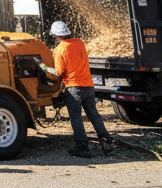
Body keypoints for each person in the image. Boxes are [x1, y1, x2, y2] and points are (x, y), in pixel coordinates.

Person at [39, 20, 116, 158]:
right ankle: (107, 143)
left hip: (74, 87)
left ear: (55, 36)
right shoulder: (79, 43)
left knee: (76, 118)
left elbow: (58, 72)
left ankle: (83, 148)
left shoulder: (60, 49)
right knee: (94, 114)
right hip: (88, 85)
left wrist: (43, 67)